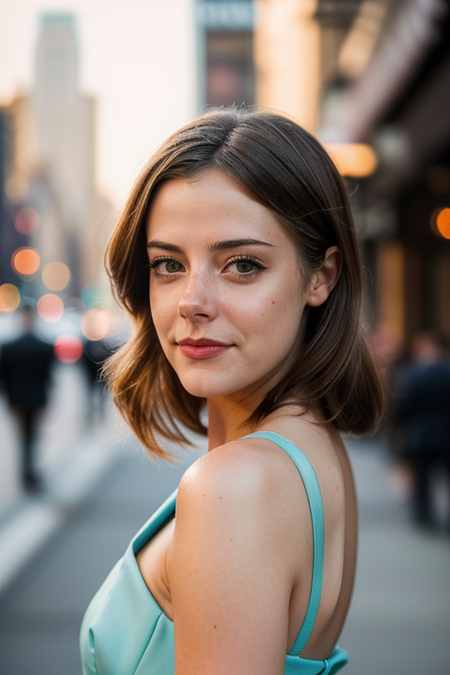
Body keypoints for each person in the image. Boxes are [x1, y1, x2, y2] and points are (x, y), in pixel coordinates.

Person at [80, 108, 384, 675]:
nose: (193, 300)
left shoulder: (234, 487)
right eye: (168, 264)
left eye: (242, 265)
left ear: (321, 275)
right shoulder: (315, 449)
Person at [393, 332, 450, 529]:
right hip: (446, 435)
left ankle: (424, 514)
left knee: (422, 479)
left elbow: (403, 407)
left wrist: (399, 431)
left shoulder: (411, 375)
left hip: (421, 436)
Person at [0, 303, 55, 491]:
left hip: (18, 400)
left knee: (23, 437)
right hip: (35, 398)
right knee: (32, 437)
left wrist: (9, 402)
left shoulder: (8, 347)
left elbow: (4, 378)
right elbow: (48, 378)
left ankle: (26, 471)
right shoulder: (45, 346)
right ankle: (28, 471)